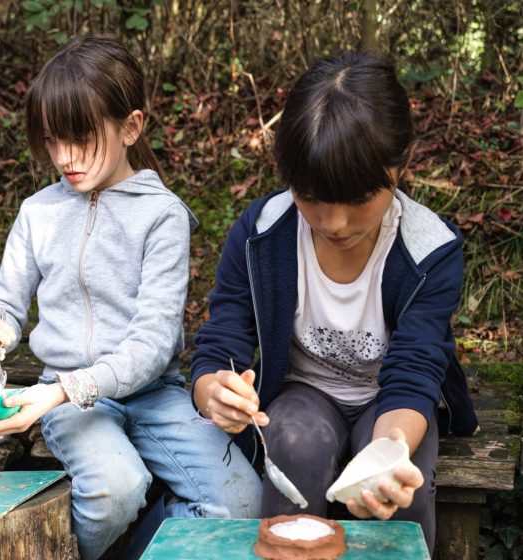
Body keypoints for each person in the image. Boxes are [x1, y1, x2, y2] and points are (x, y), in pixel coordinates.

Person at [0, 35, 263, 560]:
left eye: (80, 139)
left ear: (130, 126)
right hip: (65, 390)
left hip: (153, 392)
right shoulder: (38, 212)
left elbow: (153, 342)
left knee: (240, 502)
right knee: (116, 487)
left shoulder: (162, 216)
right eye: (52, 141)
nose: (64, 157)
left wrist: (63, 392)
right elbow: (7, 304)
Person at [190, 51, 478, 556]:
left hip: (389, 403)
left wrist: (389, 448)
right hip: (303, 394)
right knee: (294, 443)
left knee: (396, 483)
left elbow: (415, 370)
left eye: (359, 199)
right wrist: (213, 390)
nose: (334, 223)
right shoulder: (261, 235)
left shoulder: (429, 250)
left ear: (399, 165)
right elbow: (222, 343)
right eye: (311, 196)